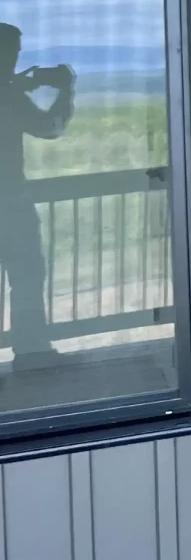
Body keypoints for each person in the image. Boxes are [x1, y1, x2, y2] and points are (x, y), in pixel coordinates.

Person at [0, 25, 73, 364]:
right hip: (10, 205)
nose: (15, 59)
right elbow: (50, 127)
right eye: (12, 52)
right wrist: (66, 90)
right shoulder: (9, 96)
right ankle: (31, 351)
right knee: (26, 277)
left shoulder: (9, 92)